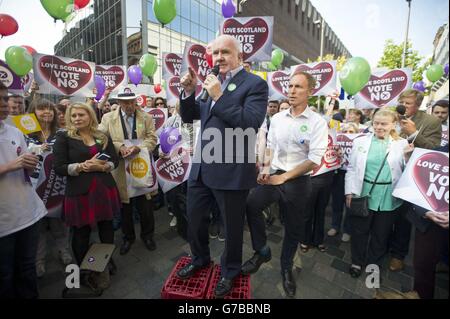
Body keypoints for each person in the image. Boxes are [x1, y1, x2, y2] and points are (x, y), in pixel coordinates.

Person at [176, 35, 268, 298]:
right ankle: (200, 258)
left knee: (231, 227)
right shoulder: (210, 83)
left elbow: (250, 123)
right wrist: (189, 92)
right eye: (215, 53)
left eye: (225, 52)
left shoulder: (255, 84)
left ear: (239, 56)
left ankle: (229, 271)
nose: (218, 58)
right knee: (194, 219)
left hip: (232, 171)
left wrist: (218, 96)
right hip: (202, 167)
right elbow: (190, 116)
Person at [241, 71, 328, 297]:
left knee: (294, 228)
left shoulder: (318, 122)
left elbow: (314, 160)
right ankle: (262, 251)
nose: (292, 91)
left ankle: (286, 267)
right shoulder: (277, 118)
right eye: (289, 86)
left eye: (298, 87)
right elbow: (270, 146)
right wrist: (266, 169)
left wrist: (285, 177)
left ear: (310, 91)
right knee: (251, 204)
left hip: (298, 181)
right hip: (275, 174)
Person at [53, 103, 120, 291]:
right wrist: (81, 166)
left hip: (104, 190)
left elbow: (114, 160)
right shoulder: (63, 138)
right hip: (80, 193)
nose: (76, 118)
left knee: (107, 228)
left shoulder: (102, 135)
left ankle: (105, 261)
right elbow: (58, 167)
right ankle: (88, 270)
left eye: (81, 114)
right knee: (81, 233)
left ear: (90, 115)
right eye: (73, 115)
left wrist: (102, 167)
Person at [345, 109, 408, 278]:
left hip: (388, 196)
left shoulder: (402, 144)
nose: (379, 127)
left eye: (384, 124)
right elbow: (351, 168)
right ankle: (357, 262)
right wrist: (349, 191)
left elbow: (407, 171)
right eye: (376, 123)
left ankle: (374, 264)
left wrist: (409, 158)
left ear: (393, 125)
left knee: (381, 235)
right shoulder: (360, 141)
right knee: (360, 232)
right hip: (364, 192)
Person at [0, 82, 47, 298]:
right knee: (5, 276)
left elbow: (25, 166)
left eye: (4, 98)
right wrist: (11, 165)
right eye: (0, 100)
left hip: (29, 214)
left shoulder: (15, 131)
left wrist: (30, 162)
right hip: (4, 223)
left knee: (27, 269)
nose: (5, 104)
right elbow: (13, 164)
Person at [388, 89, 443, 272]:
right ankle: (383, 244)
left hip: (411, 177)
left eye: (408, 103)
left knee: (403, 218)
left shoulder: (431, 121)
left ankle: (398, 255)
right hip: (388, 172)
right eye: (401, 101)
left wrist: (414, 133)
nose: (403, 106)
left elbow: (435, 151)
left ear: (418, 105)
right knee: (386, 213)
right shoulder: (392, 115)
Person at [99, 89, 158, 255]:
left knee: (145, 206)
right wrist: (120, 147)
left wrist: (139, 147)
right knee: (125, 207)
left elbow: (152, 139)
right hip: (120, 170)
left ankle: (148, 236)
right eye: (125, 103)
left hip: (140, 165)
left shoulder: (146, 117)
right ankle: (128, 238)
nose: (130, 106)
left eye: (132, 102)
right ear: (119, 102)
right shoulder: (108, 118)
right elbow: (102, 138)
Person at [27, 99, 72, 278]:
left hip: (57, 185)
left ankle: (64, 251)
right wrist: (37, 149)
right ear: (33, 111)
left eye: (50, 109)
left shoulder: (61, 133)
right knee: (38, 227)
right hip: (33, 187)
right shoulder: (25, 133)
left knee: (59, 222)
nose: (47, 112)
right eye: (41, 108)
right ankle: (39, 260)